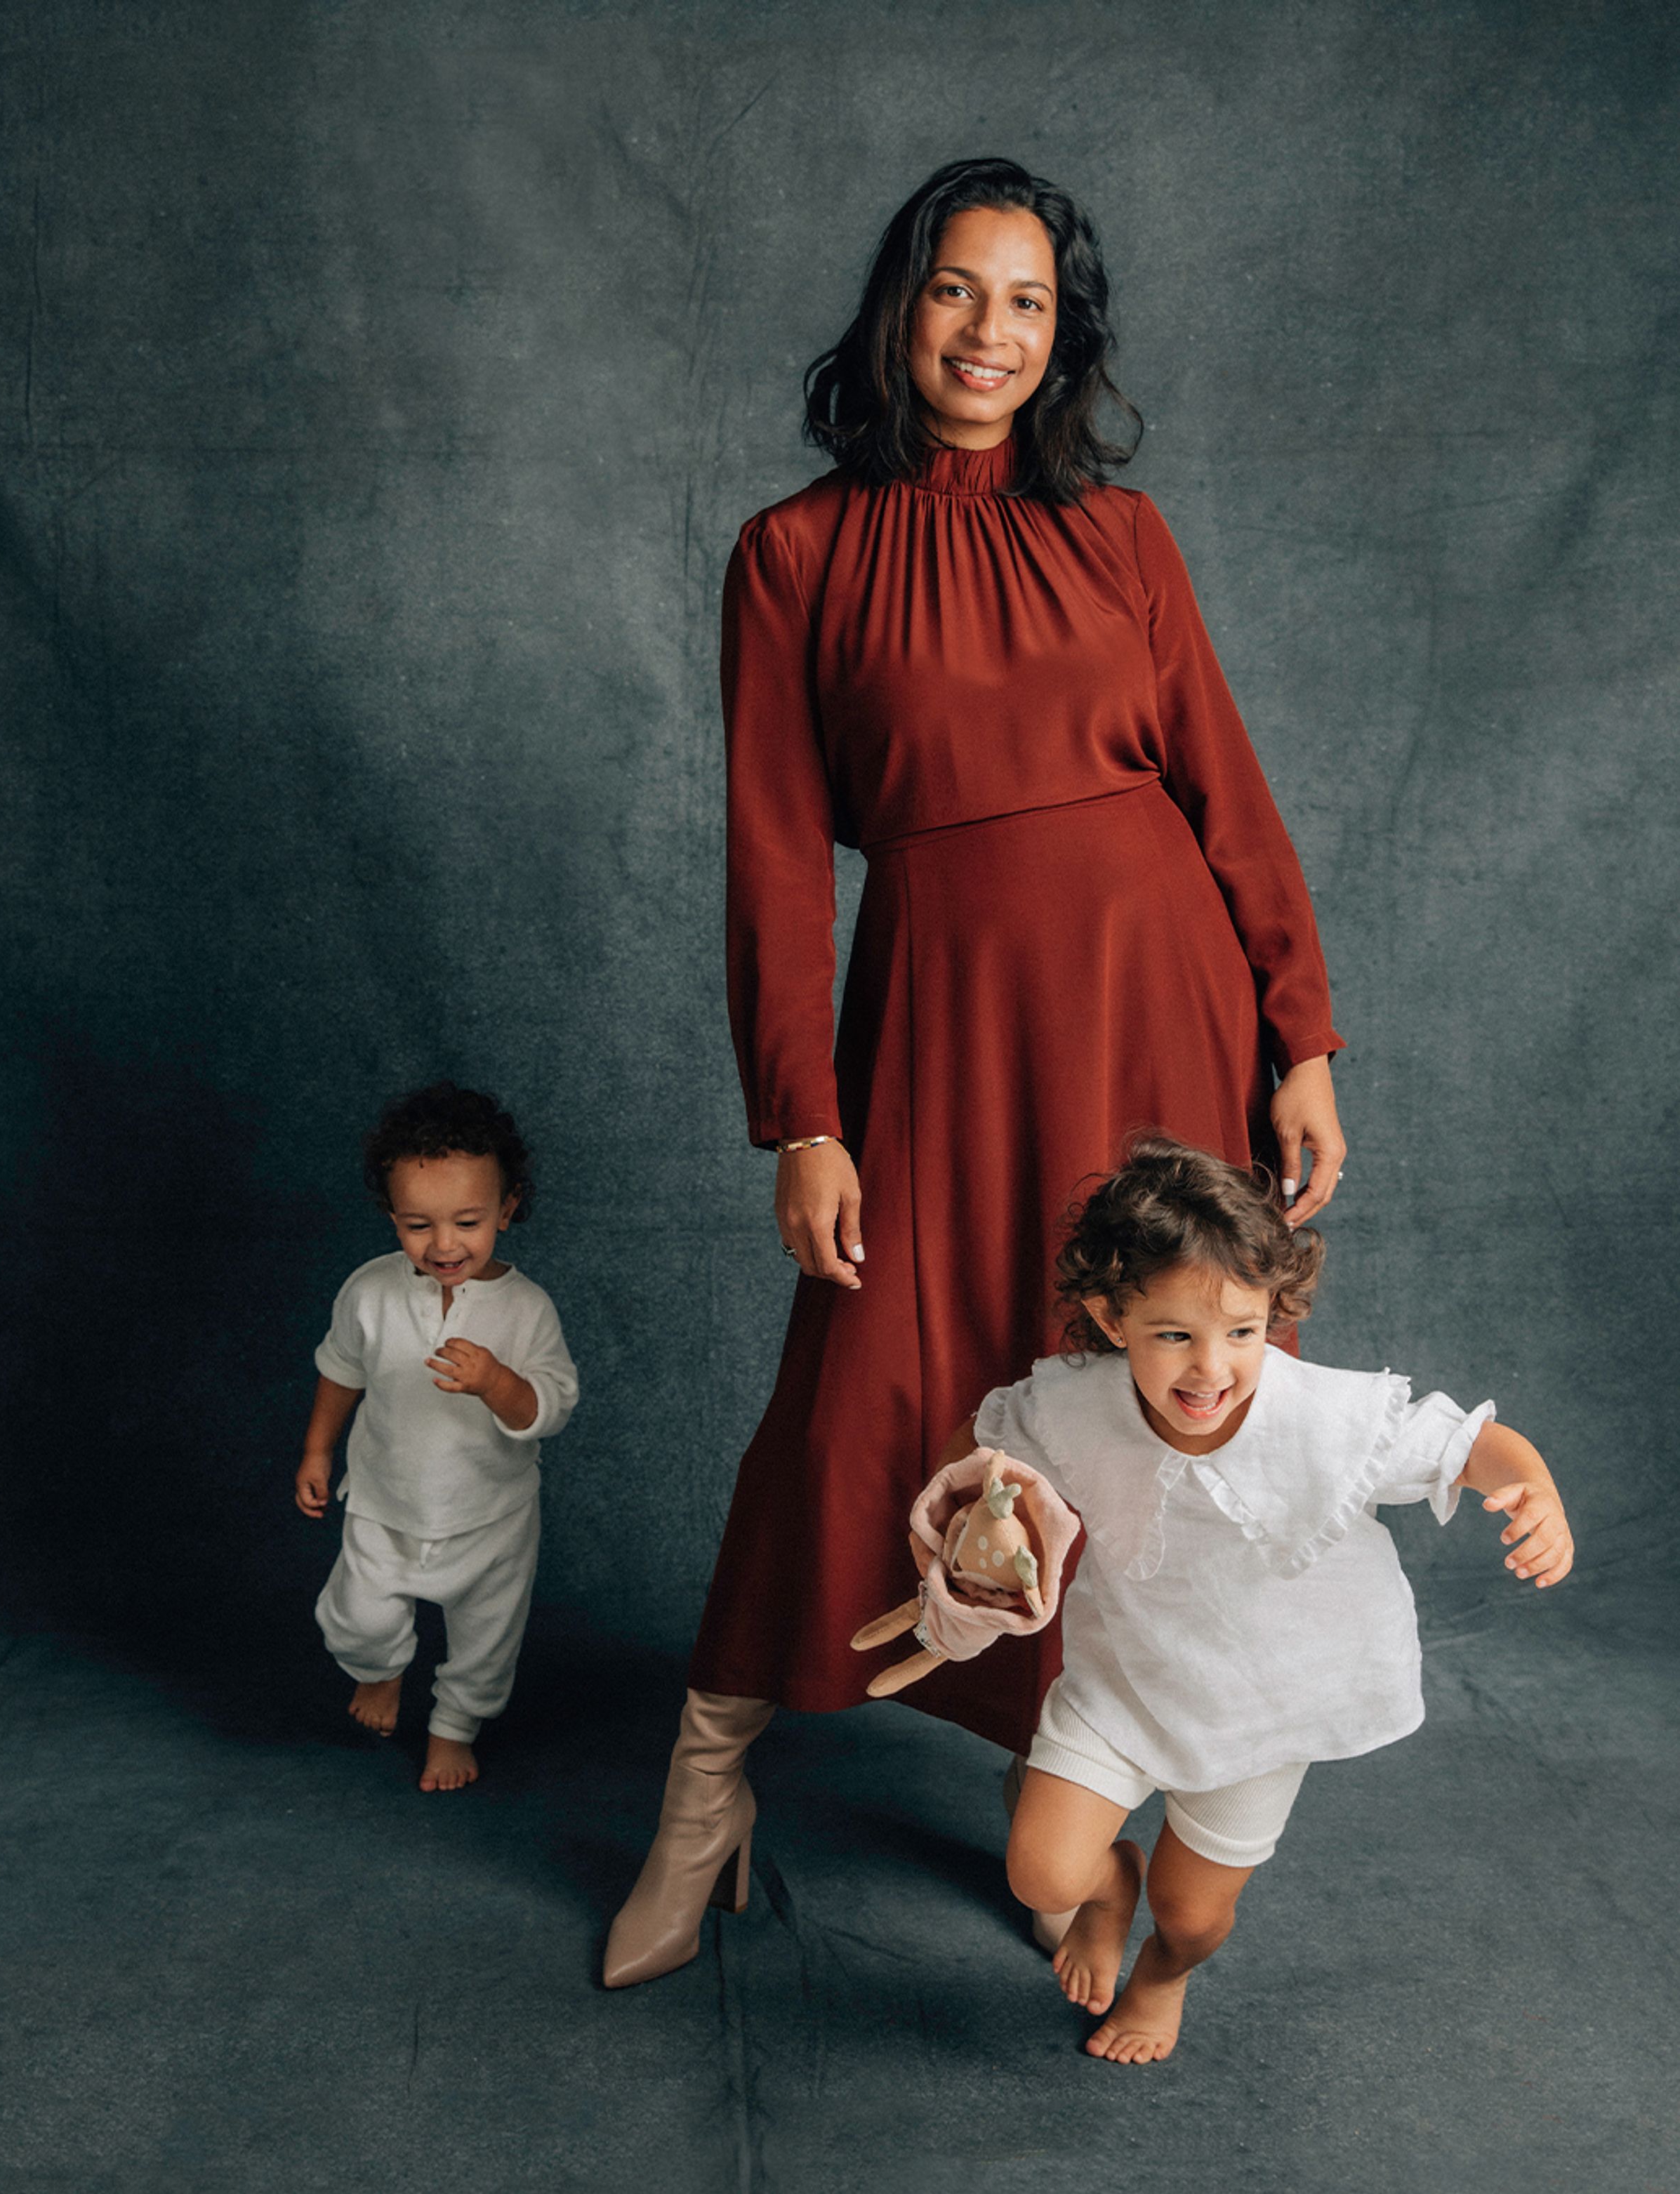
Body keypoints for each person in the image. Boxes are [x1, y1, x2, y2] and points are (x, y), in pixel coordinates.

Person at [604, 156, 1348, 1987]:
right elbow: (777, 857)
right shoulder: (792, 557)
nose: (987, 334)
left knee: (1132, 1416)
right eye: (956, 291)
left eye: (1024, 302)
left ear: (1058, 331)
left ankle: (1071, 1839)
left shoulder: (1123, 540)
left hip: (1156, 1013)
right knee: (871, 1395)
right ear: (899, 306)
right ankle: (705, 1799)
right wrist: (802, 1111)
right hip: (938, 1027)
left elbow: (1224, 796)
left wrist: (1301, 1034)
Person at [979, 1137, 1573, 2063]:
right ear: (1111, 1315)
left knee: (1191, 1915)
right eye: (1174, 1333)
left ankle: (1164, 1973)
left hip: (1263, 1705)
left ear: (1271, 1314)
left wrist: (1535, 1490)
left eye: (1243, 1331)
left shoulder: (1327, 1418)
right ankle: (1107, 1888)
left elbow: (1467, 1446)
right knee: (1039, 1869)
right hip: (1123, 1681)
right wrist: (986, 1516)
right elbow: (987, 1454)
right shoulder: (1073, 1404)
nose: (1210, 1368)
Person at [295, 1082, 578, 1792]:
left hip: (492, 1515)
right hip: (385, 1501)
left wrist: (496, 1382)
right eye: (418, 1225)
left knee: (485, 1640)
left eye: (468, 1221)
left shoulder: (526, 1308)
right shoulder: (370, 1291)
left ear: (507, 1209)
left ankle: (453, 1725)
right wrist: (318, 1449)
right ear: (392, 1217)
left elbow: (550, 1405)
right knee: (355, 1615)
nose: (444, 1244)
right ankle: (380, 1668)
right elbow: (341, 1369)